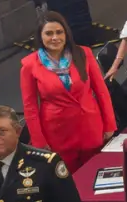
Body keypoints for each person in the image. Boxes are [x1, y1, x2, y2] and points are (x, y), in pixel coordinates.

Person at [20, 11, 115, 172]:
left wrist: (109, 124)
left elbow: (101, 91)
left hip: (90, 128)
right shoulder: (30, 65)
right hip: (57, 134)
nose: (55, 37)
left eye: (59, 32)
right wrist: (39, 141)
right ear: (40, 36)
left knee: (95, 174)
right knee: (65, 179)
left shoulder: (83, 54)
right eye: (49, 33)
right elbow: (30, 107)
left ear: (66, 33)